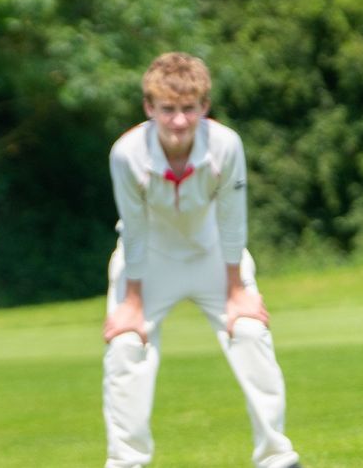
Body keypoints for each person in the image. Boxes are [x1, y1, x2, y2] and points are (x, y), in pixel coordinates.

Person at [102, 52, 301, 468]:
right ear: (149, 108)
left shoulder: (226, 145)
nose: (178, 121)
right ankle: (126, 462)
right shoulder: (126, 153)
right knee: (125, 345)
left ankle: (276, 456)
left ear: (204, 107)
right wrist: (133, 302)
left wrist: (235, 290)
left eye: (189, 109)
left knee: (249, 331)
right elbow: (133, 226)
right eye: (168, 110)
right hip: (148, 260)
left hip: (214, 256)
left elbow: (232, 217)